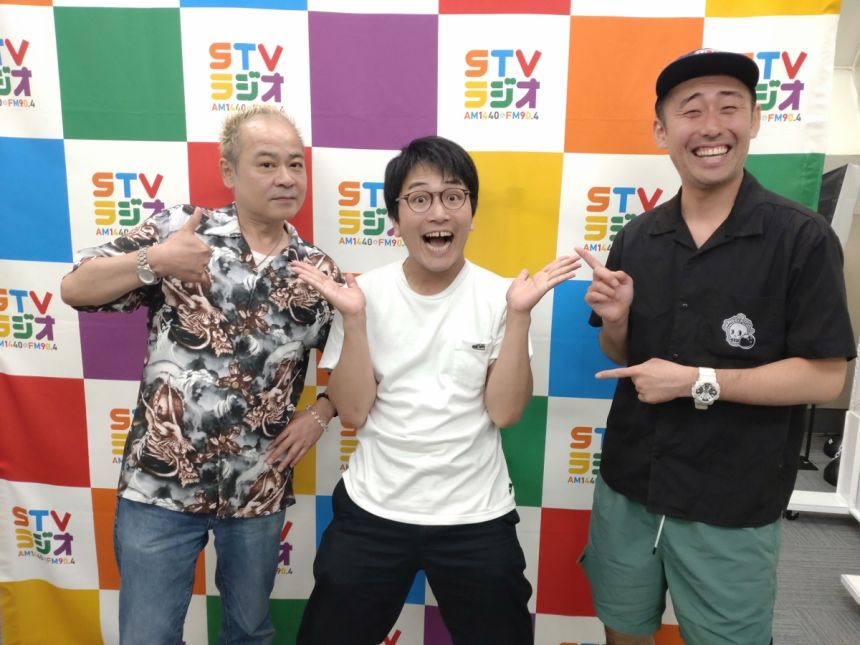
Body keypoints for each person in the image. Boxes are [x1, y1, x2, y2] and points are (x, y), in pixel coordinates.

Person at [575, 49, 856, 645]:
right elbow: (619, 355)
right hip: (631, 484)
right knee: (622, 629)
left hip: (732, 498)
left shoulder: (801, 238)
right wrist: (617, 323)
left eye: (728, 108)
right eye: (690, 110)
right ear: (662, 131)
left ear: (754, 121)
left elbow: (826, 375)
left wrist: (697, 381)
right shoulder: (638, 237)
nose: (710, 126)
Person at [60, 105, 342, 644]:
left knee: (248, 632)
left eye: (295, 164)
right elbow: (76, 288)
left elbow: (354, 361)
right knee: (147, 636)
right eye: (267, 164)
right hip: (160, 488)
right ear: (229, 172)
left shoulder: (317, 271)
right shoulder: (182, 232)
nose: (286, 178)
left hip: (257, 490)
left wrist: (321, 412)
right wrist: (154, 262)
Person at [289, 135, 581, 644]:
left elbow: (505, 412)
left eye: (453, 196)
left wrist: (518, 317)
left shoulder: (501, 296)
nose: (438, 212)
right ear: (395, 218)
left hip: (475, 514)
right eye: (419, 198)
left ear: (471, 211)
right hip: (373, 508)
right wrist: (354, 321)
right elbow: (353, 411)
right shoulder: (364, 295)